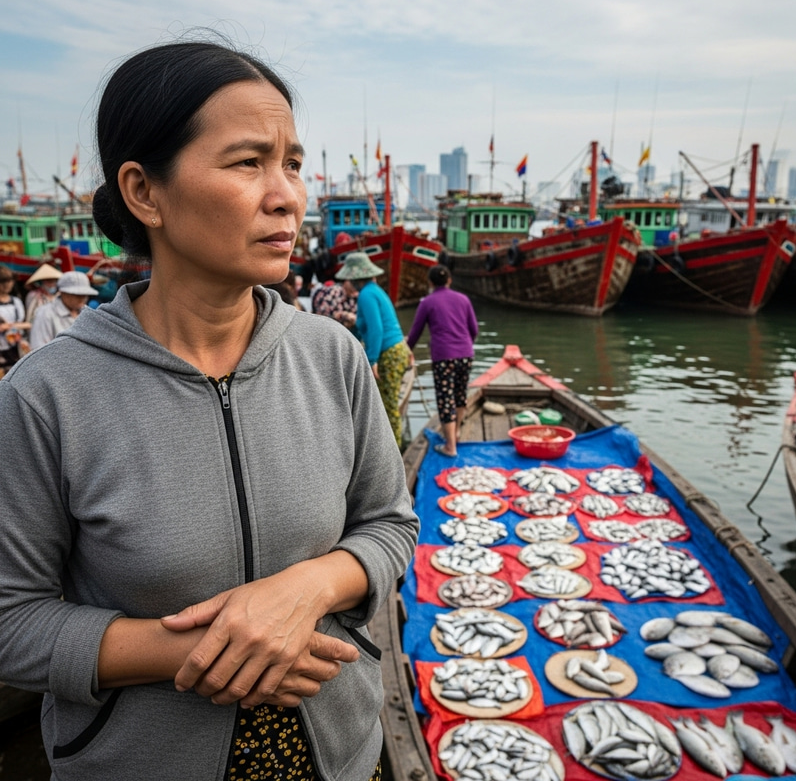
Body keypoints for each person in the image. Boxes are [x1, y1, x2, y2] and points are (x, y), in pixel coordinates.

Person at [0, 38, 418, 781]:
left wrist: (307, 589)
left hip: (340, 756)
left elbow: (389, 525)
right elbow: (12, 621)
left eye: (291, 162)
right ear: (145, 193)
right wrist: (205, 649)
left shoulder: (332, 356)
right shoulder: (46, 396)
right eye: (247, 162)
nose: (288, 193)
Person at [334, 252, 410, 447]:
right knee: (387, 401)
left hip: (389, 353)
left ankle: (395, 451)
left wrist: (372, 360)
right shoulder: (373, 291)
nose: (345, 284)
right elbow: (363, 328)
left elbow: (376, 329)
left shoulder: (367, 295)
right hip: (396, 350)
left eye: (346, 280)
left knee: (388, 405)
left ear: (354, 279)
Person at [406, 264, 478, 457]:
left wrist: (408, 352)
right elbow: (474, 330)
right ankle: (456, 432)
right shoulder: (463, 299)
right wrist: (465, 347)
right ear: (449, 280)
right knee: (460, 394)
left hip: (444, 357)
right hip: (465, 354)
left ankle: (450, 446)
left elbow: (414, 334)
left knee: (446, 399)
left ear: (430, 282)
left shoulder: (427, 302)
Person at [28, 270, 99, 350]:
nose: (82, 299)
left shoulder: (88, 313)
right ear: (63, 293)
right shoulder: (45, 313)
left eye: (85, 295)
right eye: (77, 295)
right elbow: (38, 349)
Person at [0, 266, 31, 370]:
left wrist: (10, 326)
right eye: (4, 281)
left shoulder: (16, 301)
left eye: (10, 281)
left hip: (16, 346)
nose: (8, 285)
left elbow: (27, 324)